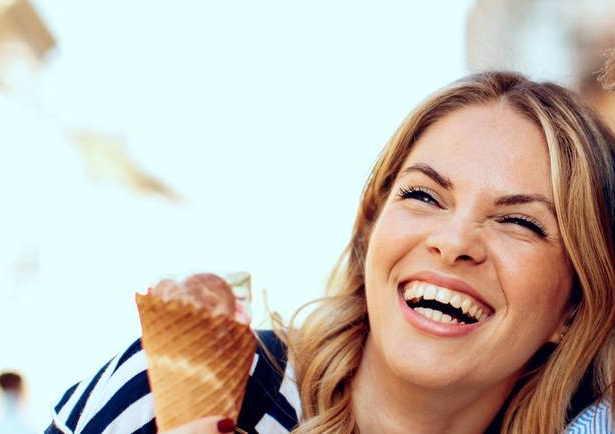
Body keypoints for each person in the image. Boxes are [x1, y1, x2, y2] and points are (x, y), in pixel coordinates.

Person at [46, 71, 615, 434]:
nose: (453, 242)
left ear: (571, 308)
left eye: (518, 221)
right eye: (423, 195)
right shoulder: (177, 387)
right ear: (371, 228)